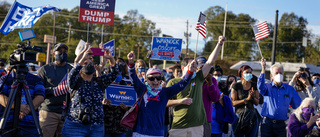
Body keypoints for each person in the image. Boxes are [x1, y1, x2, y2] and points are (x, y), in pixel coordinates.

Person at [126, 51, 197, 137]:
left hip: (157, 134)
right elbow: (133, 78)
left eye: (158, 78)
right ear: (147, 80)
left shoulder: (164, 92)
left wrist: (189, 72)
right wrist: (131, 63)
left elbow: (181, 84)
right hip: (140, 133)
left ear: (161, 79)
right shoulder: (142, 89)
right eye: (152, 78)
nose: (155, 81)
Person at [167, 36, 226, 137]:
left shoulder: (198, 79)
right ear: (182, 68)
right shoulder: (173, 82)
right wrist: (180, 101)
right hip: (179, 126)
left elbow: (210, 62)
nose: (193, 67)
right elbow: (164, 102)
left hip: (197, 127)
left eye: (195, 65)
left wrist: (219, 43)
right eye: (191, 65)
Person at [62, 47, 118, 137]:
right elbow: (72, 74)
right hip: (75, 125)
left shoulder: (100, 81)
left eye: (90, 63)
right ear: (80, 67)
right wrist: (83, 57)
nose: (88, 65)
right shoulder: (75, 81)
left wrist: (111, 58)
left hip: (97, 126)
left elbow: (115, 73)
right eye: (85, 63)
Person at [258, 58, 302, 137]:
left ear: (283, 75)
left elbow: (298, 105)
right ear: (272, 76)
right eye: (276, 73)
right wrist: (263, 69)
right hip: (267, 123)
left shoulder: (289, 89)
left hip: (281, 125)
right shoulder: (267, 87)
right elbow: (260, 87)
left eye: (281, 73)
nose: (279, 75)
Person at [38, 43, 73, 137]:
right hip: (48, 111)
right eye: (60, 51)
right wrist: (55, 90)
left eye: (65, 52)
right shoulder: (45, 69)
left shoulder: (71, 69)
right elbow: (38, 90)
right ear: (54, 53)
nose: (63, 53)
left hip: (67, 113)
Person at [0, 65, 45, 136]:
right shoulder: (5, 79)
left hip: (30, 126)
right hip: (7, 125)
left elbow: (40, 97)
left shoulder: (36, 79)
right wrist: (17, 107)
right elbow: (1, 97)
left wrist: (26, 109)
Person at [231, 65, 259, 137]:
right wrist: (246, 99)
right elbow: (233, 103)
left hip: (251, 117)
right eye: (247, 72)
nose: (249, 74)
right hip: (239, 117)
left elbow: (257, 102)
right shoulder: (236, 86)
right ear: (241, 73)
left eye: (250, 73)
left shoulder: (254, 85)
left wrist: (253, 97)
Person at [199, 60, 220, 137]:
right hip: (192, 120)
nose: (204, 70)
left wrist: (210, 83)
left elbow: (215, 98)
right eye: (201, 68)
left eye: (205, 68)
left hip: (205, 120)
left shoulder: (212, 80)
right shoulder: (192, 79)